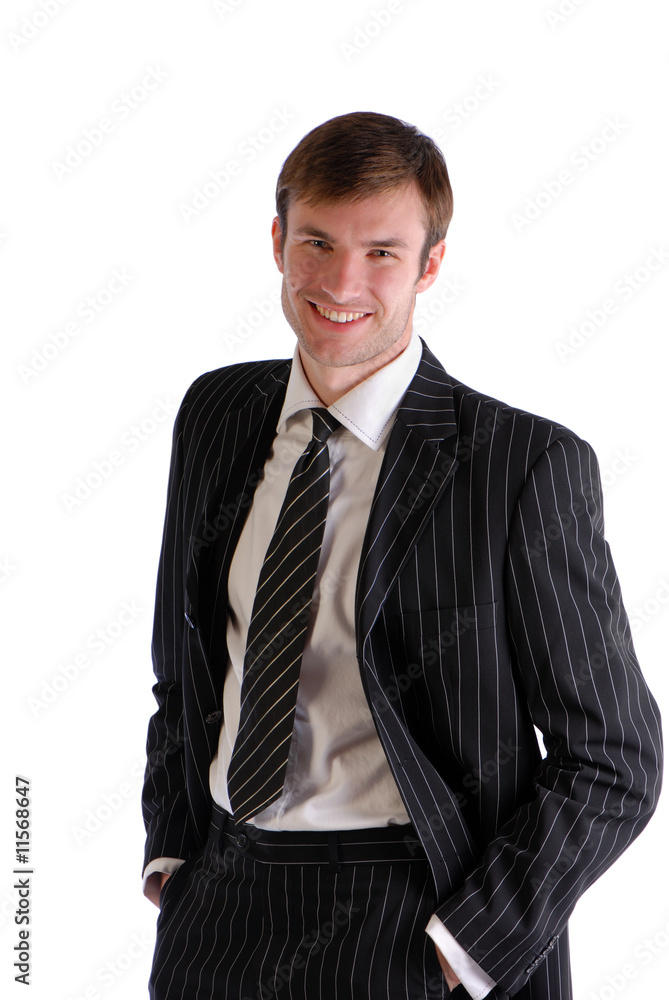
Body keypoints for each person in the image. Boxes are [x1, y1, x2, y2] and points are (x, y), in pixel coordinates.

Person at [142, 111, 662, 1000]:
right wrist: (173, 853)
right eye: (317, 242)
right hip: (216, 915)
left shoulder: (519, 465)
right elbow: (184, 669)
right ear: (277, 242)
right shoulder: (216, 415)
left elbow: (612, 757)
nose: (341, 281)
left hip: (408, 916)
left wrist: (465, 945)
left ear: (430, 265)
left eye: (380, 252)